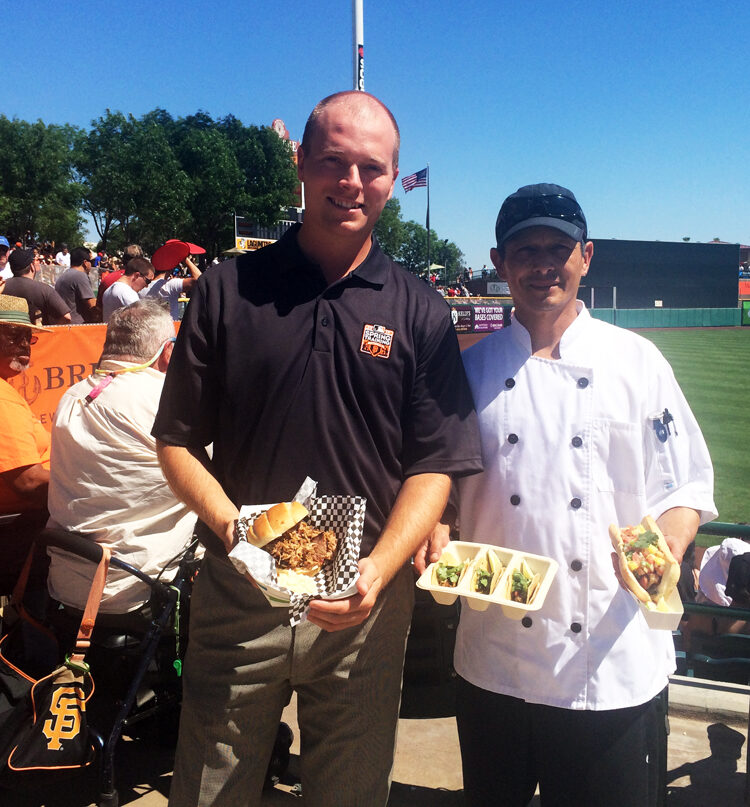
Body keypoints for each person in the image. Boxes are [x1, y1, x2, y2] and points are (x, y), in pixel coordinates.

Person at [152, 90, 482, 807]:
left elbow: (434, 462)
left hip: (365, 599)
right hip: (240, 589)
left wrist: (379, 568)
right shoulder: (227, 289)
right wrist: (240, 531)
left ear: (394, 179)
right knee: (212, 788)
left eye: (372, 167)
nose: (352, 182)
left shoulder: (419, 308)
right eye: (334, 161)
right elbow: (175, 442)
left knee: (351, 791)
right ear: (301, 163)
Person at [441, 183, 717, 807]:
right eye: (525, 249)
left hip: (610, 659)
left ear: (585, 257)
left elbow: (689, 485)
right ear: (500, 262)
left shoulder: (638, 362)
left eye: (558, 248)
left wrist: (662, 549)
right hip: (494, 656)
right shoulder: (469, 372)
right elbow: (443, 491)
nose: (543, 263)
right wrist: (436, 526)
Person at [46, 300, 198, 625]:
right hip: (134, 586)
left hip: (67, 580)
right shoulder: (166, 399)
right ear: (167, 351)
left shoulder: (71, 395)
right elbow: (220, 470)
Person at [0, 295, 53, 594]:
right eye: (13, 336)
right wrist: (90, 491)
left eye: (27, 337)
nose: (23, 345)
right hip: (20, 534)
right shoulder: (2, 400)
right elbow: (28, 482)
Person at [4, 248, 71, 325]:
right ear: (32, 266)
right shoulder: (44, 289)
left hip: (7, 335)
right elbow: (66, 317)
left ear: (12, 268)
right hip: (39, 336)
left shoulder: (2, 286)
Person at [141, 253, 201, 319]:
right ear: (170, 268)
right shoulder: (170, 285)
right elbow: (199, 279)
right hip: (169, 327)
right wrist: (184, 259)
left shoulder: (142, 287)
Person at [55, 246, 99, 323]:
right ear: (85, 263)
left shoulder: (64, 275)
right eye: (91, 262)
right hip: (77, 327)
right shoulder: (80, 276)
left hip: (65, 324)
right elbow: (92, 305)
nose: (91, 265)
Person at [96, 243, 143, 311]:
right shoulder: (143, 281)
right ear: (141, 262)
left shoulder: (107, 278)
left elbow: (98, 308)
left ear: (123, 260)